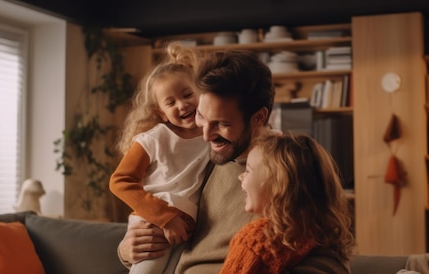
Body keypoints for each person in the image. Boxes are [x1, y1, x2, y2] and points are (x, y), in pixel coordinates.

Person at [117, 49, 351, 273]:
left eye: (221, 123)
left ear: (259, 117)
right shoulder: (206, 158)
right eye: (202, 116)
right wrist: (128, 250)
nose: (206, 135)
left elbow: (332, 261)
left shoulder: (290, 169)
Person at [109, 42, 209, 274]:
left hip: (186, 228)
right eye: (170, 102)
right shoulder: (153, 139)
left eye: (187, 95)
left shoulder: (210, 136)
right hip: (152, 224)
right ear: (160, 113)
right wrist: (165, 218)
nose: (182, 104)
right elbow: (120, 181)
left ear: (200, 93)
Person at [220, 133, 354, 273]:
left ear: (277, 186)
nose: (240, 176)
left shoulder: (255, 243)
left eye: (248, 170)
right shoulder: (321, 237)